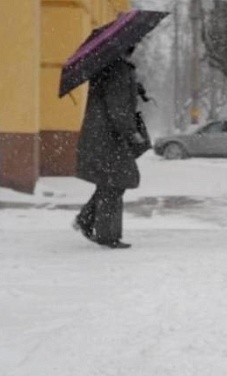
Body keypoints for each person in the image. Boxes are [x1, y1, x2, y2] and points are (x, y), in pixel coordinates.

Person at [73, 49, 150, 249]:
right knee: (118, 180)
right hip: (109, 136)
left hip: (101, 134)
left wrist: (135, 89)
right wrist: (130, 131)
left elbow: (111, 96)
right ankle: (106, 234)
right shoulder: (119, 70)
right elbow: (117, 106)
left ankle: (88, 220)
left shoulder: (108, 67)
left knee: (111, 181)